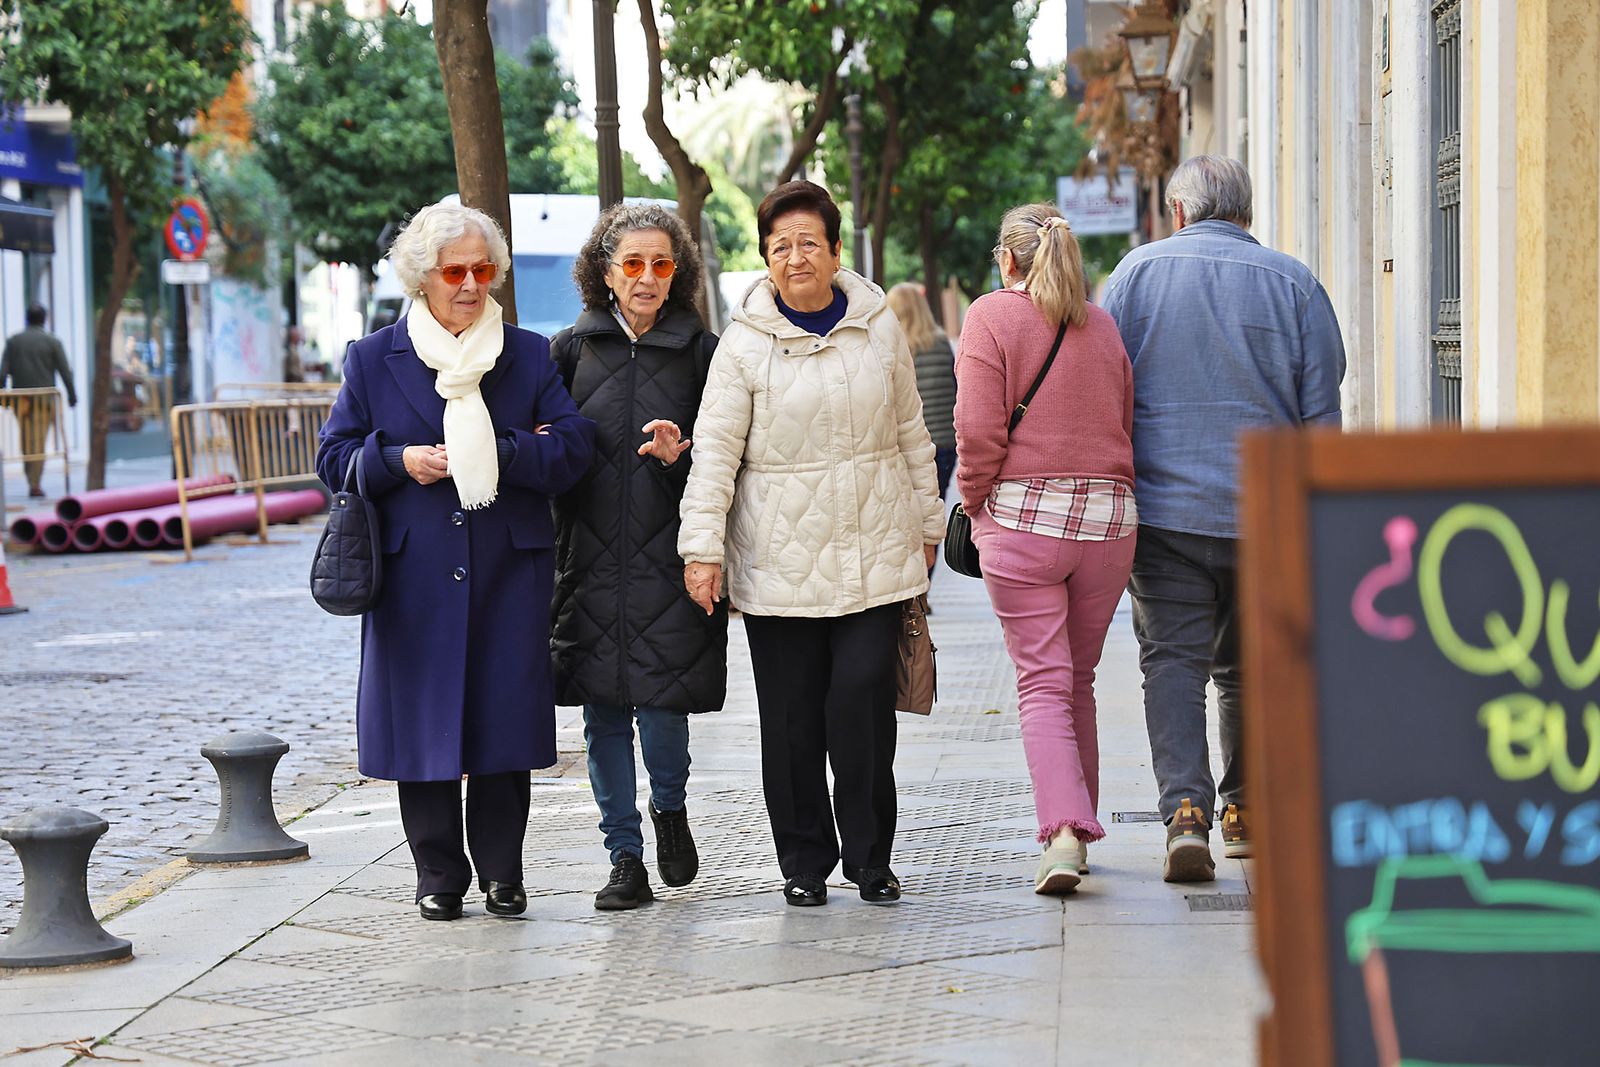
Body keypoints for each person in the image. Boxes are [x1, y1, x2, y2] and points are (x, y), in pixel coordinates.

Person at [316, 201, 595, 921]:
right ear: (422, 278)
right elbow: (332, 457)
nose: (471, 284)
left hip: (508, 570)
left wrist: (502, 451)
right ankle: (437, 875)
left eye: (482, 269)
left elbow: (573, 448)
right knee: (422, 726)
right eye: (454, 272)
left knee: (502, 724)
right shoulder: (373, 358)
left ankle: (503, 873)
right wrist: (396, 461)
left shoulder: (528, 353)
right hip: (412, 576)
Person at [679, 180, 944, 907]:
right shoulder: (743, 344)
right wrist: (702, 549)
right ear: (766, 258)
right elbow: (714, 453)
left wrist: (928, 524)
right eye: (779, 246)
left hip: (873, 554)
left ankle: (870, 857)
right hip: (780, 563)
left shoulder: (878, 328)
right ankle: (803, 862)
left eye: (808, 242)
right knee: (792, 720)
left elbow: (911, 433)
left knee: (862, 707)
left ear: (834, 250)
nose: (795, 257)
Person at [1100, 155, 1345, 882]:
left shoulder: (1134, 277)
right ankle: (1244, 811)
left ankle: (1184, 814)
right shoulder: (1295, 284)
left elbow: (1105, 392)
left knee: (1171, 663)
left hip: (1165, 514)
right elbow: (1321, 416)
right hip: (1265, 512)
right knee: (1248, 666)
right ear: (1247, 211)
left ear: (1178, 212)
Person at [550, 202, 728, 912]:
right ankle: (623, 855)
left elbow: (730, 459)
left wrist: (683, 458)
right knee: (601, 716)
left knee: (662, 709)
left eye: (661, 263)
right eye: (632, 263)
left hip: (671, 561)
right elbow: (546, 458)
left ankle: (670, 808)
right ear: (605, 271)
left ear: (677, 272)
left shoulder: (703, 353)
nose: (647, 277)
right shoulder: (568, 351)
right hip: (588, 562)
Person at [954, 204, 1136, 895]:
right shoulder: (1103, 327)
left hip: (1024, 523)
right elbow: (1124, 421)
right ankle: (1080, 830)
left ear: (1007, 259)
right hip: (1109, 524)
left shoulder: (990, 318)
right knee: (1075, 679)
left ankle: (1062, 834)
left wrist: (975, 502)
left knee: (1042, 682)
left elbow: (976, 432)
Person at [886, 283, 957, 502]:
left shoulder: (890, 346)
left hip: (907, 447)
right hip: (945, 442)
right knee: (936, 503)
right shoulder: (941, 342)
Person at [1, 304, 77, 498]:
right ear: (44, 319)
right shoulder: (52, 341)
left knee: (27, 439)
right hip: (44, 399)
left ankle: (32, 480)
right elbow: (65, 371)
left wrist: (2, 394)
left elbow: (3, 371)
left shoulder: (14, 341)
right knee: (38, 440)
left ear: (27, 318)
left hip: (21, 400)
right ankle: (34, 483)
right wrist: (72, 394)